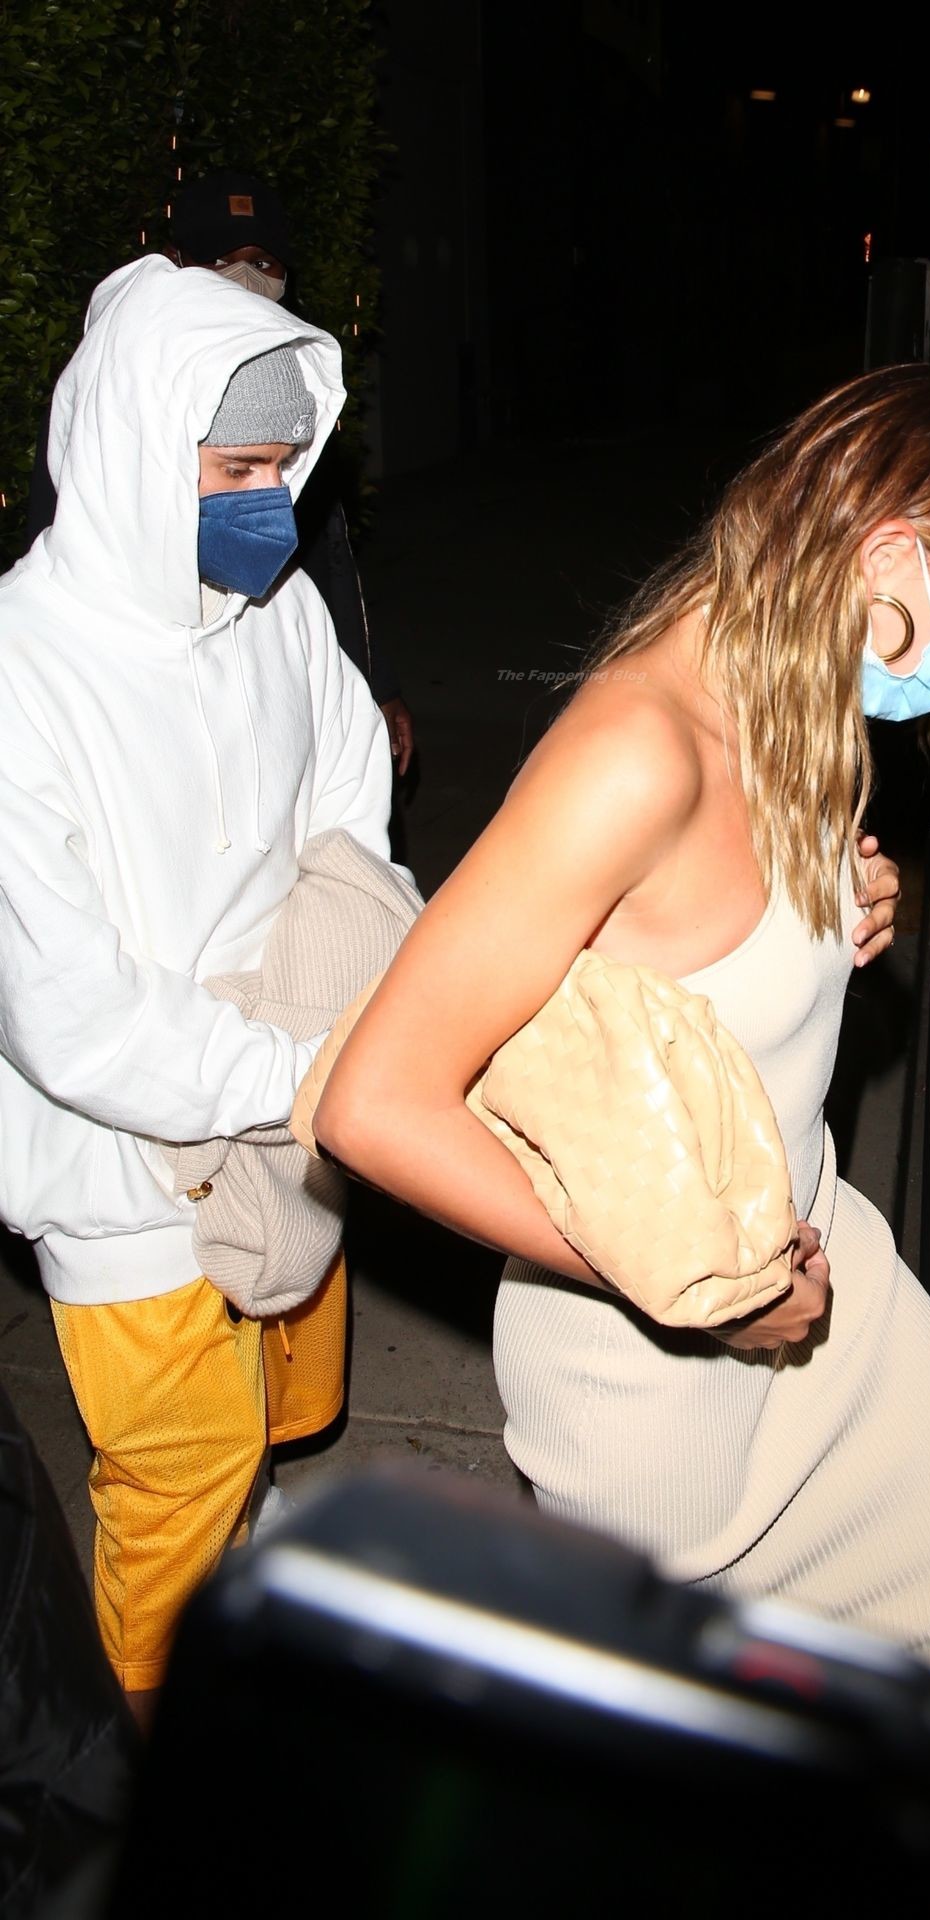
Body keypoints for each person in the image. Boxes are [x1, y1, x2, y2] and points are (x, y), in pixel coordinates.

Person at [311, 363, 930, 1918]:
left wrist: (857, 893)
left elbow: (728, 944)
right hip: (654, 1373)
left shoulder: (804, 688)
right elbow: (373, 1100)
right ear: (884, 555)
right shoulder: (638, 751)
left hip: (823, 1267)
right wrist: (711, 1293)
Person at [0, 255, 397, 1722]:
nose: (269, 502)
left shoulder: (275, 609)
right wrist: (297, 1070)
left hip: (289, 1083)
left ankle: (253, 1578)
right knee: (179, 1469)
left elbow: (348, 797)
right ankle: (147, 1771)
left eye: (286, 465)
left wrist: (334, 985)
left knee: (283, 1397)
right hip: (119, 1151)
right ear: (133, 450)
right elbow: (68, 1012)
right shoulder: (22, 673)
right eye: (237, 469)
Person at [22, 166, 417, 779]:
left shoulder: (288, 383)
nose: (246, 278)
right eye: (222, 260)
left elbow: (329, 560)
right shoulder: (123, 389)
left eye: (263, 261)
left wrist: (373, 684)